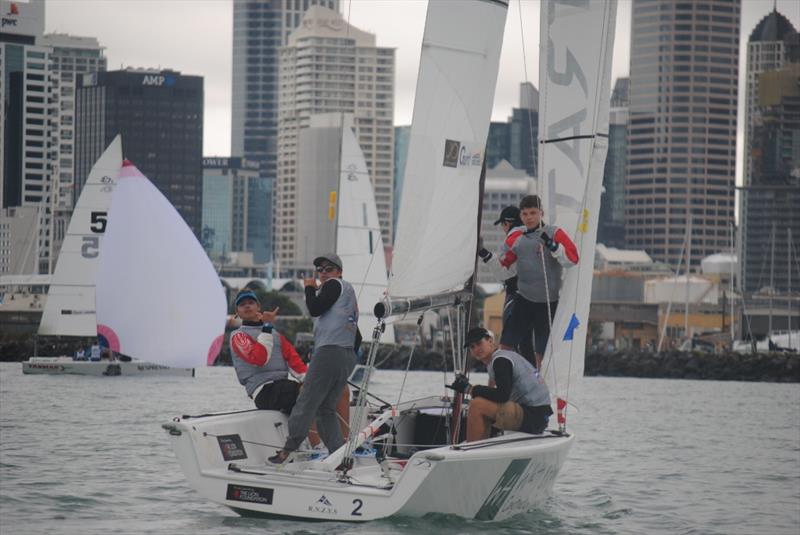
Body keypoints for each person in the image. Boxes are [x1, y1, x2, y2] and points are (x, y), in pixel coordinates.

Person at [269, 253, 359, 464]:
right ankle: (339, 457)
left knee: (306, 400)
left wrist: (309, 287)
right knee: (325, 408)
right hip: (345, 354)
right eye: (320, 270)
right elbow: (357, 334)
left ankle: (287, 450)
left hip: (329, 352)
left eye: (329, 269)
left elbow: (314, 308)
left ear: (339, 271)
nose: (324, 273)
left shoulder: (333, 285)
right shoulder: (348, 293)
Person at [494, 194, 578, 369]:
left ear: (541, 213)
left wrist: (552, 246)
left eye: (533, 213)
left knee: (541, 352)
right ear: (521, 216)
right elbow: (503, 266)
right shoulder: (517, 237)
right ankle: (499, 386)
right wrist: (488, 258)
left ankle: (541, 388)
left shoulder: (555, 233)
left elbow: (573, 259)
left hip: (548, 301)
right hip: (523, 299)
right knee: (505, 346)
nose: (529, 217)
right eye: (524, 214)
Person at [448, 327, 552, 441]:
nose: (476, 349)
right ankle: (480, 447)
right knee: (482, 401)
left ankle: (470, 452)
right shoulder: (502, 357)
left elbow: (502, 395)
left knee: (477, 405)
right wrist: (472, 390)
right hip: (538, 414)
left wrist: (469, 389)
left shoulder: (500, 361)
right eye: (472, 347)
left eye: (479, 343)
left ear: (490, 341)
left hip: (534, 416)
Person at [229, 290, 308, 414]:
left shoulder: (276, 335)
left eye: (251, 302)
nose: (247, 306)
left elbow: (295, 363)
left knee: (316, 389)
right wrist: (267, 327)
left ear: (258, 307)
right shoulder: (238, 336)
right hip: (263, 391)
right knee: (310, 392)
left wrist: (311, 380)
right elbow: (260, 359)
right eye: (242, 304)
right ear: (237, 312)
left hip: (283, 386)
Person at [478, 205, 525, 331]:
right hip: (535, 295)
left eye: (502, 225)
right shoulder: (532, 235)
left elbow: (503, 273)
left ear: (507, 223)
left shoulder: (512, 240)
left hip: (517, 295)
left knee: (512, 340)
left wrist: (482, 252)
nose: (503, 229)